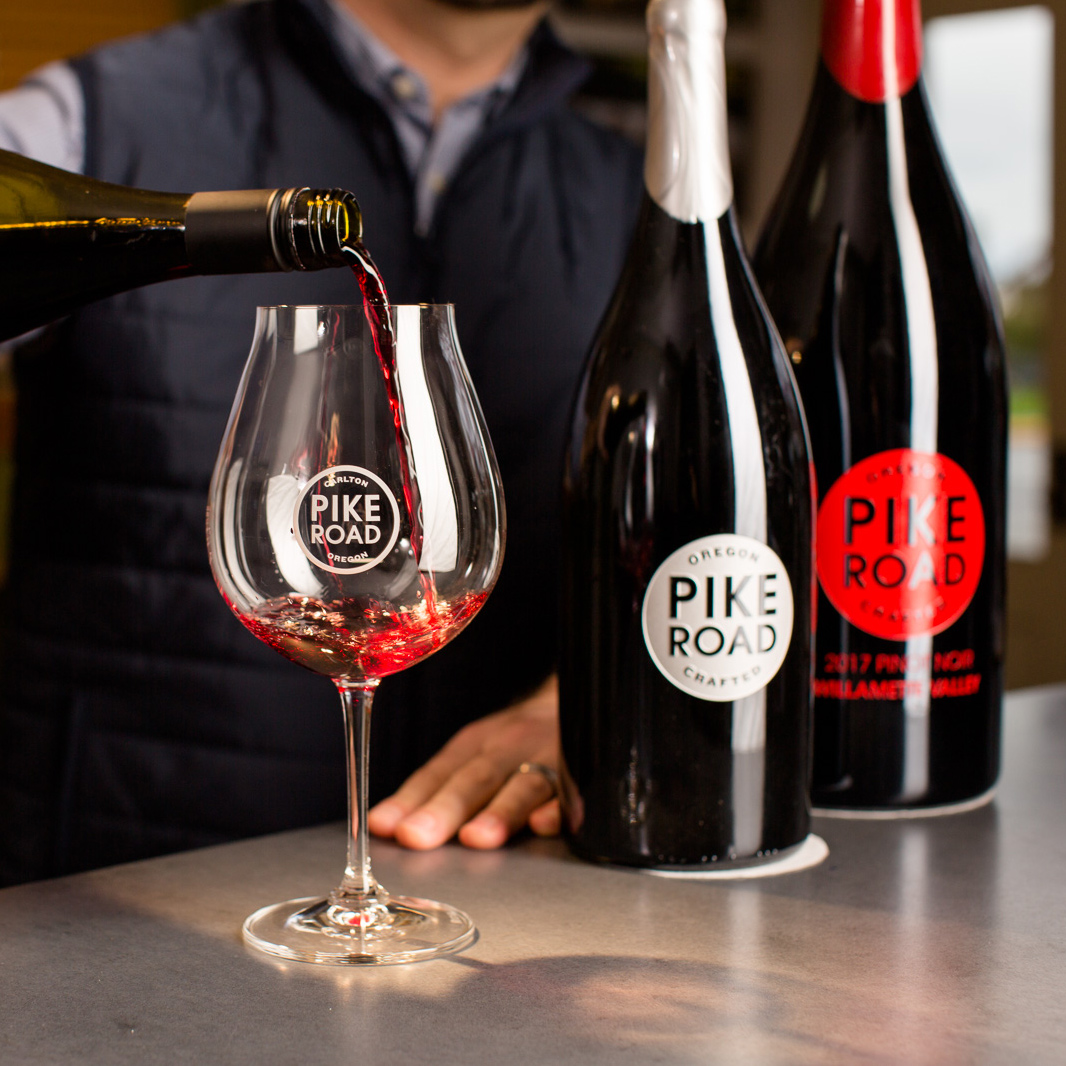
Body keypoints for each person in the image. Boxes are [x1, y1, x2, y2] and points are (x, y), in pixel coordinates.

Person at [0, 0, 643, 884]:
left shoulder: (637, 197)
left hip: (489, 919)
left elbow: (731, 515)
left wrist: (601, 697)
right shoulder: (87, 118)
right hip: (109, 895)